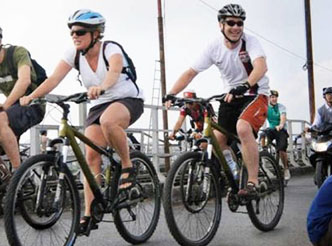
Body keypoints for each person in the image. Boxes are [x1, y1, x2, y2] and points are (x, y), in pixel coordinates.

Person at [20, 9, 145, 234]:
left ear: (96, 34)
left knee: (108, 122)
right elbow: (54, 79)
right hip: (99, 103)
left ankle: (127, 166)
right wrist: (32, 96)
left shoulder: (111, 48)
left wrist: (104, 87)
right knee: (91, 155)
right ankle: (90, 211)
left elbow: (114, 71)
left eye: (79, 31)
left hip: (127, 99)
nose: (74, 35)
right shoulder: (74, 54)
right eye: (71, 32)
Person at [166, 3, 269, 200]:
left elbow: (261, 67)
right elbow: (191, 72)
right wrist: (171, 93)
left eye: (240, 23)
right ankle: (235, 174)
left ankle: (253, 182)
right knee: (217, 139)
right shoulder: (214, 47)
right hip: (230, 97)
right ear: (221, 25)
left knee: (243, 128)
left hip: (255, 94)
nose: (236, 27)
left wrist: (245, 85)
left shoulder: (251, 42)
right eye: (231, 22)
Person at [0, 26, 46, 176]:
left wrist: (5, 106)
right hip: (12, 108)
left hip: (32, 104)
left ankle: (18, 175)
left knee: (0, 119)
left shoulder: (17, 53)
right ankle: (5, 176)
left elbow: (24, 80)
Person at [264, 89, 290, 181]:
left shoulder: (281, 107)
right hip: (271, 130)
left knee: (282, 149)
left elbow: (283, 117)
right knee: (262, 138)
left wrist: (281, 125)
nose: (274, 99)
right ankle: (264, 157)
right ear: (268, 98)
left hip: (280, 129)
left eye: (275, 97)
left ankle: (286, 168)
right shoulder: (266, 107)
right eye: (272, 97)